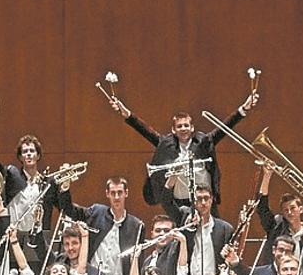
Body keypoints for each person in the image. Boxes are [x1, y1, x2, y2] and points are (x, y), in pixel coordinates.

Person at [109, 88, 258, 221]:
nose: (183, 128)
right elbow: (145, 131)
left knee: (214, 237)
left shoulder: (203, 142)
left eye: (186, 125)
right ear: (173, 130)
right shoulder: (166, 144)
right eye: (179, 126)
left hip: (204, 200)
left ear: (192, 127)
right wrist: (127, 114)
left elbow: (224, 128)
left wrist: (243, 109)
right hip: (180, 204)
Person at [57, 176, 145, 275]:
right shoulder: (96, 212)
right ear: (107, 194)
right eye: (113, 193)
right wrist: (65, 189)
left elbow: (138, 261)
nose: (116, 197)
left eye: (119, 192)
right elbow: (70, 210)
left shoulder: (136, 225)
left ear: (126, 193)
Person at [0, 120, 60, 262]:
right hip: (14, 236)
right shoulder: (12, 175)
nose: (28, 154)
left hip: (39, 239)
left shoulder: (48, 182)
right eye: (25, 151)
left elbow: (63, 206)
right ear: (20, 157)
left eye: (32, 151)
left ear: (38, 155)